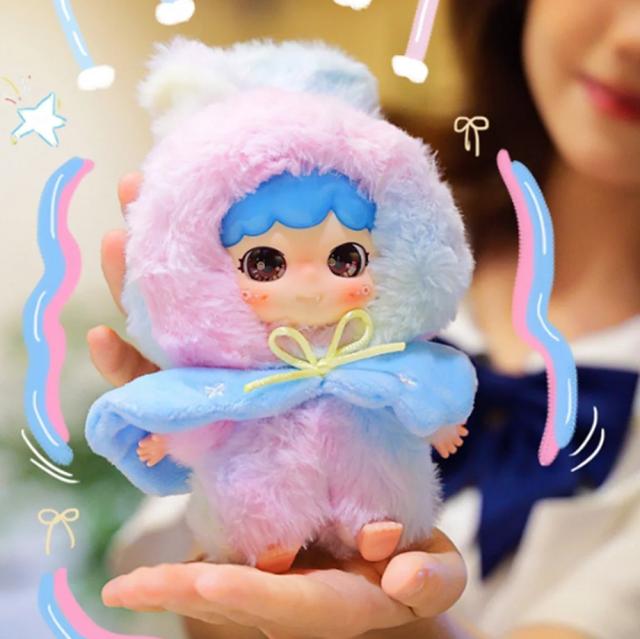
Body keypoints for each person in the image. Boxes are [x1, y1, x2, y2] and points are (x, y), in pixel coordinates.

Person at [88, 0, 640, 637]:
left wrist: (377, 623)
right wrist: (198, 418)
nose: (634, 38)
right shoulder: (351, 174)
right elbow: (194, 595)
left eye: (343, 259)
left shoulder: (413, 288)